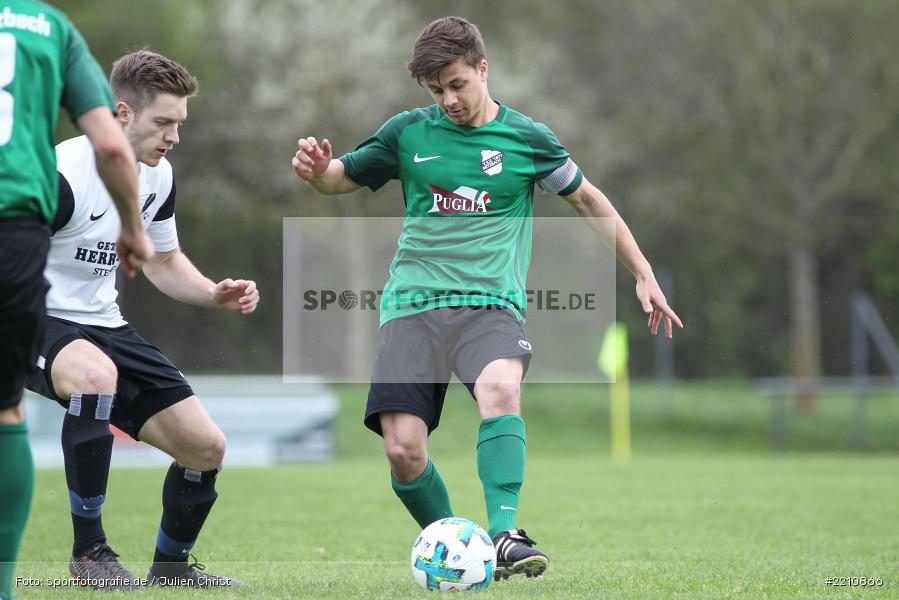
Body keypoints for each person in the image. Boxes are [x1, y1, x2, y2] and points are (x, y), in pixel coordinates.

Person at [292, 16, 683, 581]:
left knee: (501, 387)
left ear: (482, 69)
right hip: (413, 306)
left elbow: (590, 203)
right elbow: (341, 176)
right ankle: (464, 551)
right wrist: (315, 172)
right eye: (436, 90)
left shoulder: (527, 139)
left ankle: (504, 533)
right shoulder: (408, 133)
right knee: (402, 451)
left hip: (490, 305)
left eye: (457, 84)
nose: (448, 100)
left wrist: (641, 272)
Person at [25, 50, 259, 589]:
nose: (174, 136)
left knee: (206, 448)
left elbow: (163, 259)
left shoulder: (158, 176)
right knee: (94, 376)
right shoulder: (62, 174)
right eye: (163, 122)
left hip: (102, 324)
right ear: (122, 114)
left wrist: (212, 293)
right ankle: (90, 556)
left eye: (179, 123)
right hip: (33, 315)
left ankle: (171, 571)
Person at [0, 2, 152, 598]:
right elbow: (113, 148)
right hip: (13, 224)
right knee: (6, 411)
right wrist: (133, 227)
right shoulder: (48, 28)